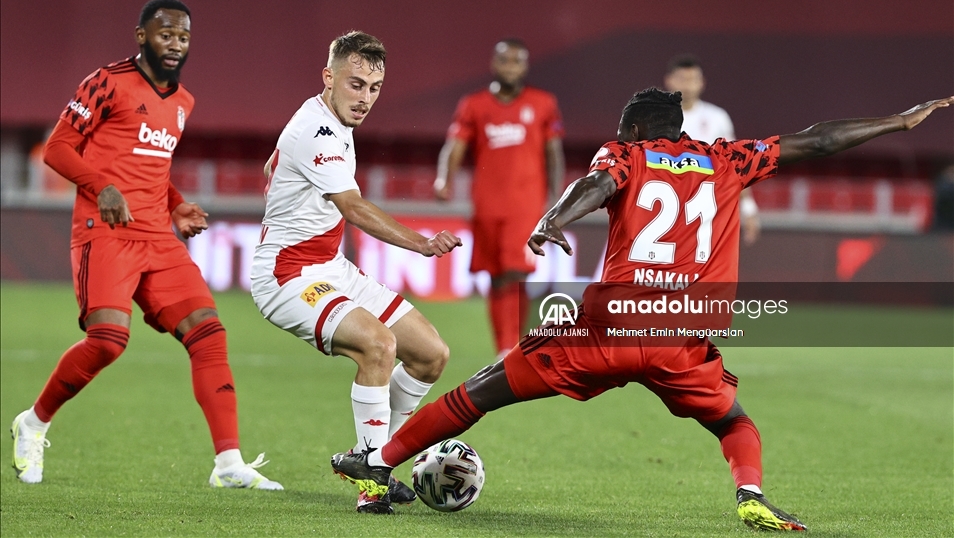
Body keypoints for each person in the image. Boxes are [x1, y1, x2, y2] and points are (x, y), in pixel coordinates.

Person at [332, 88, 954, 530]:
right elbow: (817, 141)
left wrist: (552, 219)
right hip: (682, 343)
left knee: (483, 391)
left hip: (607, 332)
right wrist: (899, 123)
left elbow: (595, 185)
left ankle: (377, 462)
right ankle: (751, 494)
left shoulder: (627, 154)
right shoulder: (727, 159)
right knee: (734, 423)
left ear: (636, 128)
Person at [11, 0, 282, 490]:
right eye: (165, 34)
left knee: (209, 332)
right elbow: (56, 148)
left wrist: (176, 204)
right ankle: (33, 423)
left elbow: (154, 169)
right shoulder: (106, 81)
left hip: (157, 234)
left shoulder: (183, 102)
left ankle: (228, 464)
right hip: (105, 231)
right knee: (109, 342)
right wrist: (103, 188)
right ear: (141, 36)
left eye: (183, 37)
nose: (175, 44)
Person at [251, 31, 462, 514]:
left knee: (431, 354)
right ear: (329, 77)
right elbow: (353, 208)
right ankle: (373, 480)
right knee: (378, 344)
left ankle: (372, 457)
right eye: (355, 84)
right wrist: (422, 243)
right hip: (288, 276)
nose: (365, 98)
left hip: (330, 266)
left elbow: (274, 163)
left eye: (374, 87)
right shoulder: (317, 129)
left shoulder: (323, 116)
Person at [434, 39, 565, 358]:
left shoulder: (543, 103)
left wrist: (559, 196)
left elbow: (553, 151)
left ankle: (511, 347)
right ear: (494, 64)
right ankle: (503, 347)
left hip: (526, 205)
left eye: (517, 62)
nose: (511, 67)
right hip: (488, 205)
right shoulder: (474, 104)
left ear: (525, 66)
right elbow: (455, 145)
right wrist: (444, 179)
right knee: (496, 276)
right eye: (505, 61)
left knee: (516, 272)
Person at [664, 54, 761, 245]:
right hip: (663, 201)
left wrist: (748, 207)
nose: (687, 85)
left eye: (692, 80)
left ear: (702, 83)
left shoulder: (717, 118)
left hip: (704, 205)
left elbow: (735, 164)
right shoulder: (652, 118)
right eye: (682, 79)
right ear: (669, 80)